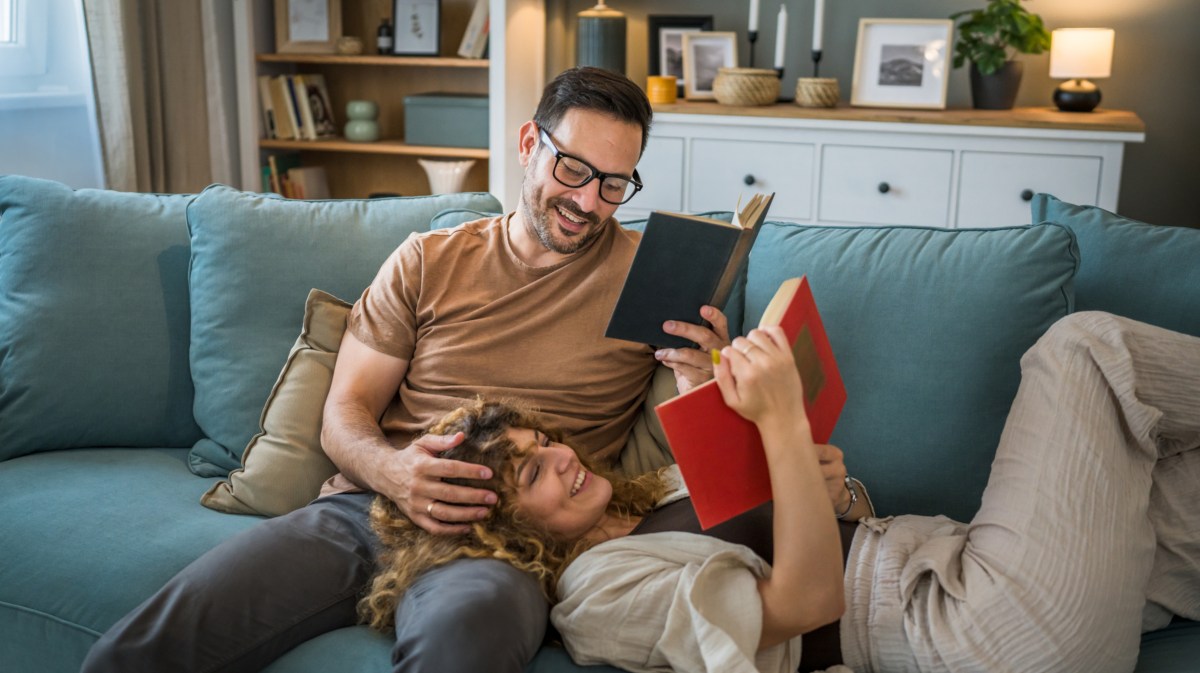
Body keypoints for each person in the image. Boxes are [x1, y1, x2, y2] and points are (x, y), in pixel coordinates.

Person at [83, 67, 839, 673]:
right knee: (139, 648)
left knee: (467, 641)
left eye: (615, 183)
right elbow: (344, 411)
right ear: (527, 144)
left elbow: (714, 474)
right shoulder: (428, 259)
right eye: (573, 168)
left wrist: (703, 377)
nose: (588, 201)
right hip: (371, 510)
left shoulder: (654, 277)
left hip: (510, 542)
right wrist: (392, 469)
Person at [361, 312, 1200, 673]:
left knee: (1176, 477)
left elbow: (841, 531)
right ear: (508, 535)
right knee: (1084, 350)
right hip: (972, 633)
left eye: (543, 441)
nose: (563, 457)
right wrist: (784, 430)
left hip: (962, 565)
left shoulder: (648, 492)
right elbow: (806, 597)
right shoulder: (593, 592)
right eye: (532, 473)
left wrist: (831, 489)